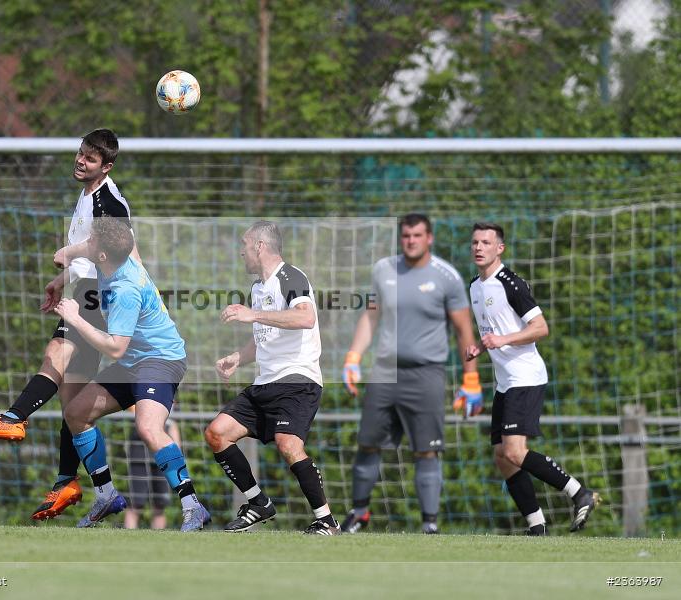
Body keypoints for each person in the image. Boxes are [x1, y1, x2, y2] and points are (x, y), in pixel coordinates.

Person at [0, 129, 140, 521]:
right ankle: (74, 484)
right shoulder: (87, 195)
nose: (81, 162)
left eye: (90, 160)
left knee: (55, 354)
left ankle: (14, 418)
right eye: (80, 154)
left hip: (99, 296)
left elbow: (118, 246)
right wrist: (63, 280)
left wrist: (72, 254)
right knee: (72, 402)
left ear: (106, 166)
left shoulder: (109, 201)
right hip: (85, 288)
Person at [53, 216, 210, 531]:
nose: (88, 243)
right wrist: (61, 273)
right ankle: (107, 495)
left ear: (102, 255)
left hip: (161, 359)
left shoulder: (126, 288)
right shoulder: (115, 256)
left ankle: (193, 505)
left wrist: (75, 317)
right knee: (76, 413)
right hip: (135, 361)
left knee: (148, 427)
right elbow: (74, 252)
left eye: (92, 242)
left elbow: (114, 349)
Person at [340, 213, 480, 535]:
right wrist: (353, 357)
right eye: (406, 235)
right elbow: (370, 318)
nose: (411, 241)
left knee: (426, 450)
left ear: (429, 238)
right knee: (368, 444)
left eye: (417, 235)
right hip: (385, 373)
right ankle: (358, 513)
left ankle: (430, 523)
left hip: (426, 375)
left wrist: (471, 379)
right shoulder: (383, 270)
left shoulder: (447, 277)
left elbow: (464, 332)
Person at [205, 221, 340, 535]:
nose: (241, 252)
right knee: (217, 433)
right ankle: (258, 503)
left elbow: (305, 317)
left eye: (244, 245)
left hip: (297, 379)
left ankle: (326, 520)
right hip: (266, 382)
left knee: (288, 443)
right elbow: (264, 335)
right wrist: (238, 357)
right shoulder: (257, 288)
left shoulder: (290, 277)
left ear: (260, 247)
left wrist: (252, 315)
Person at [466, 222, 599, 535]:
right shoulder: (474, 286)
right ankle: (536, 525)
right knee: (502, 457)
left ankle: (580, 493)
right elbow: (494, 333)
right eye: (475, 242)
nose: (479, 248)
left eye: (486, 242)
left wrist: (504, 340)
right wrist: (481, 347)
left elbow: (540, 328)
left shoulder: (510, 283)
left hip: (525, 376)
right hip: (504, 380)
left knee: (514, 451)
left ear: (500, 248)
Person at [123, 409, 182, 530]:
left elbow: (174, 428)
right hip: (139, 456)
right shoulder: (136, 402)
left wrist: (177, 456)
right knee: (135, 503)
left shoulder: (169, 410)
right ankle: (128, 538)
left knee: (160, 505)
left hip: (164, 457)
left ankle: (159, 539)